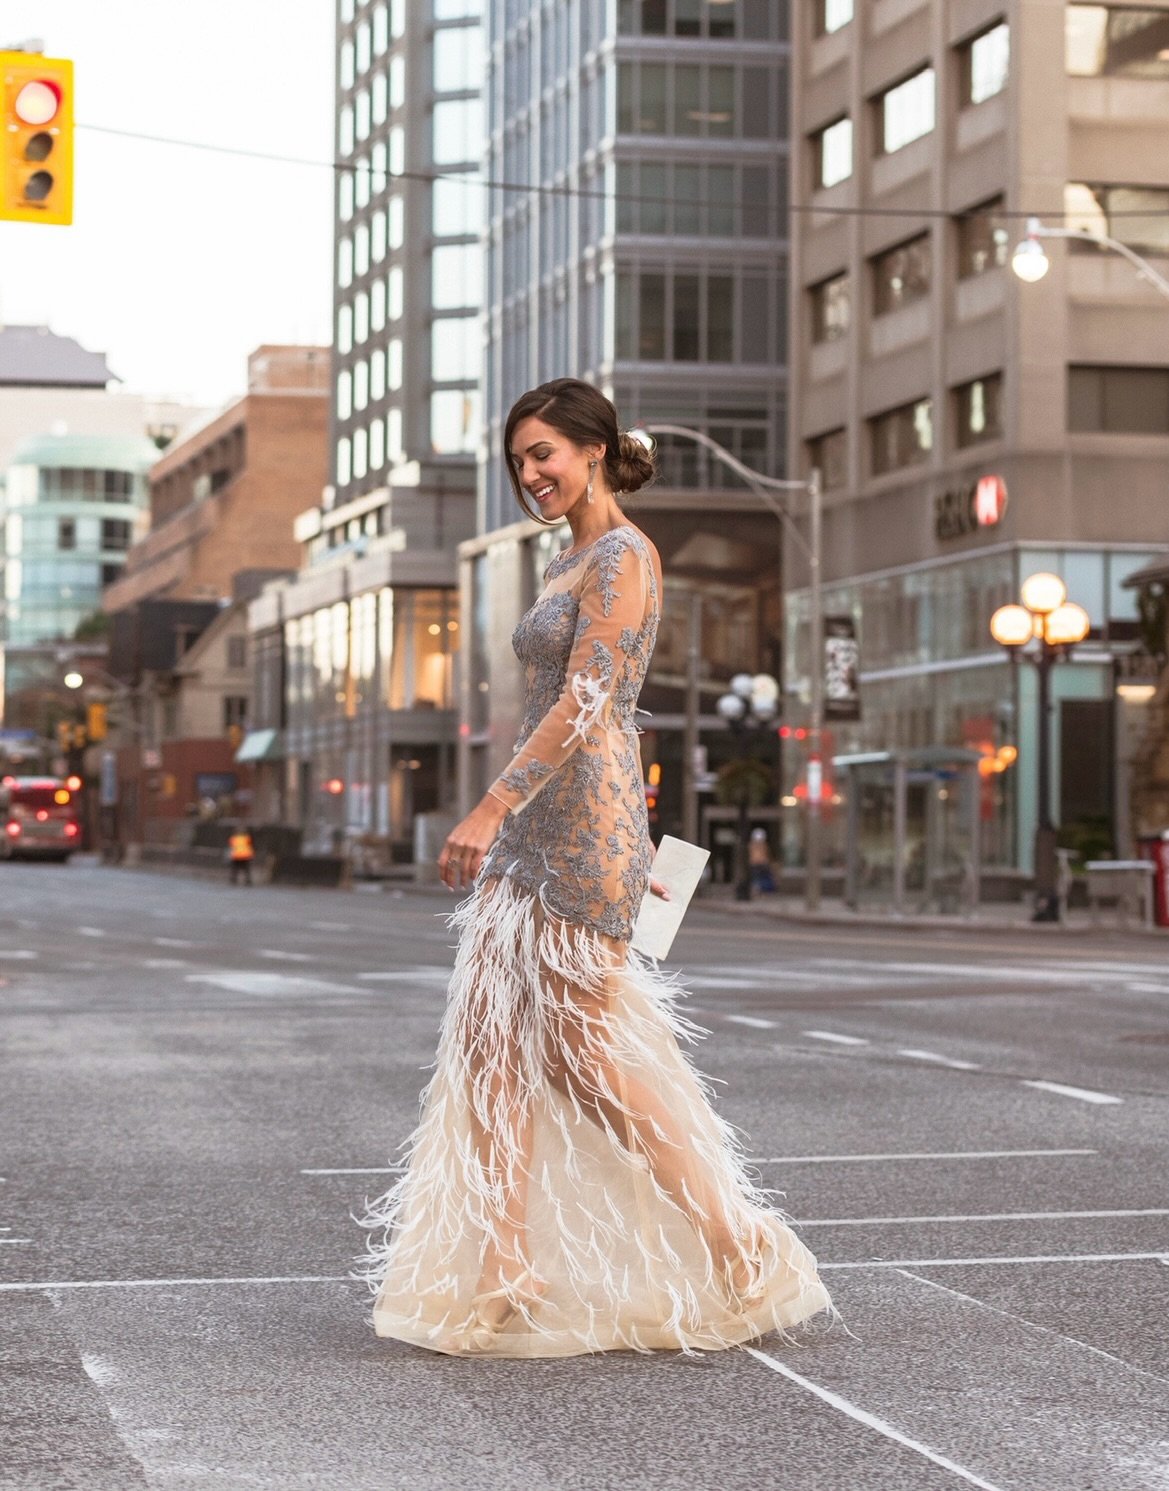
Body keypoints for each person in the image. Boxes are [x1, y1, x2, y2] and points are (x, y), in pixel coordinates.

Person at [361, 379, 833, 1357]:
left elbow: (585, 703)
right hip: (536, 822)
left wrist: (489, 806)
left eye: (544, 454)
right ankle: (505, 1261)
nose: (529, 473)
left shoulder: (622, 554)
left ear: (592, 450)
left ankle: (732, 1238)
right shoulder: (566, 557)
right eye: (518, 459)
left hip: (584, 824)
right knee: (488, 1041)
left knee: (585, 1060)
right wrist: (504, 811)